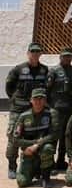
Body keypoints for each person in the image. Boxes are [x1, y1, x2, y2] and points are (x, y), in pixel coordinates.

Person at [6, 42, 49, 179]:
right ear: (28, 53)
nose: (35, 54)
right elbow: (9, 87)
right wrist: (15, 100)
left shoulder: (44, 70)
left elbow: (46, 88)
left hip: (35, 110)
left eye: (37, 52)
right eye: (32, 52)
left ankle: (34, 166)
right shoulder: (18, 69)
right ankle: (12, 166)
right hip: (18, 109)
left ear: (40, 54)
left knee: (35, 137)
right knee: (14, 136)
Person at [13, 88, 58, 188]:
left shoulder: (51, 114)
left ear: (45, 100)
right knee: (22, 182)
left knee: (48, 148)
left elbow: (54, 135)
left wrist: (37, 145)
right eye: (35, 99)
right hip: (29, 150)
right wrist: (29, 146)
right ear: (31, 100)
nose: (38, 101)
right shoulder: (23, 116)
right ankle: (35, 170)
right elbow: (15, 139)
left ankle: (46, 178)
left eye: (41, 98)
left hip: (43, 148)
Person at [46, 46, 72, 171]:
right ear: (60, 57)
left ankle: (61, 160)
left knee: (67, 135)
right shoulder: (53, 71)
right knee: (55, 135)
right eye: (65, 56)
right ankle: (51, 163)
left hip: (70, 109)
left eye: (69, 56)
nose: (67, 58)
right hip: (56, 109)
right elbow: (47, 90)